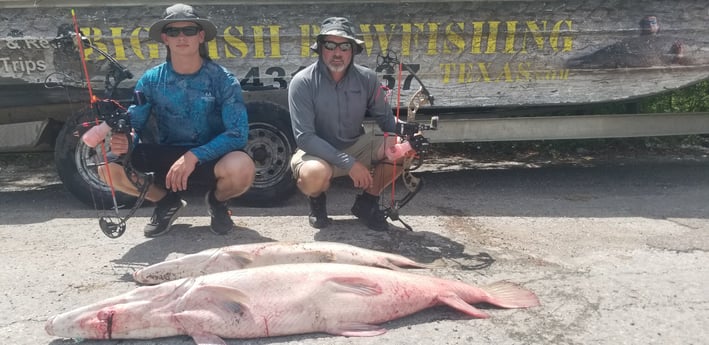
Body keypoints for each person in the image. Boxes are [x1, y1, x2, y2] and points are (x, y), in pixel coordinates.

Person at [101, 3, 255, 237]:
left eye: (189, 31)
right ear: (165, 38)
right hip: (166, 156)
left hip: (210, 157)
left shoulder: (223, 79)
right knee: (108, 167)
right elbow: (135, 124)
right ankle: (166, 202)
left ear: (201, 36)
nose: (181, 37)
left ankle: (217, 202)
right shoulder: (151, 80)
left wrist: (194, 156)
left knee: (242, 168)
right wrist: (125, 139)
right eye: (174, 32)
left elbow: (237, 133)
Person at [288, 17, 405, 232]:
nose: (337, 52)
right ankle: (317, 201)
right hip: (316, 151)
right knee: (313, 175)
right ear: (321, 49)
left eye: (344, 46)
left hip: (354, 144)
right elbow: (304, 137)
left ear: (353, 50)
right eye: (330, 45)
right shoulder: (302, 82)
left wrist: (406, 131)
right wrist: (350, 164)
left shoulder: (368, 78)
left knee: (404, 146)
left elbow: (386, 120)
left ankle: (367, 203)